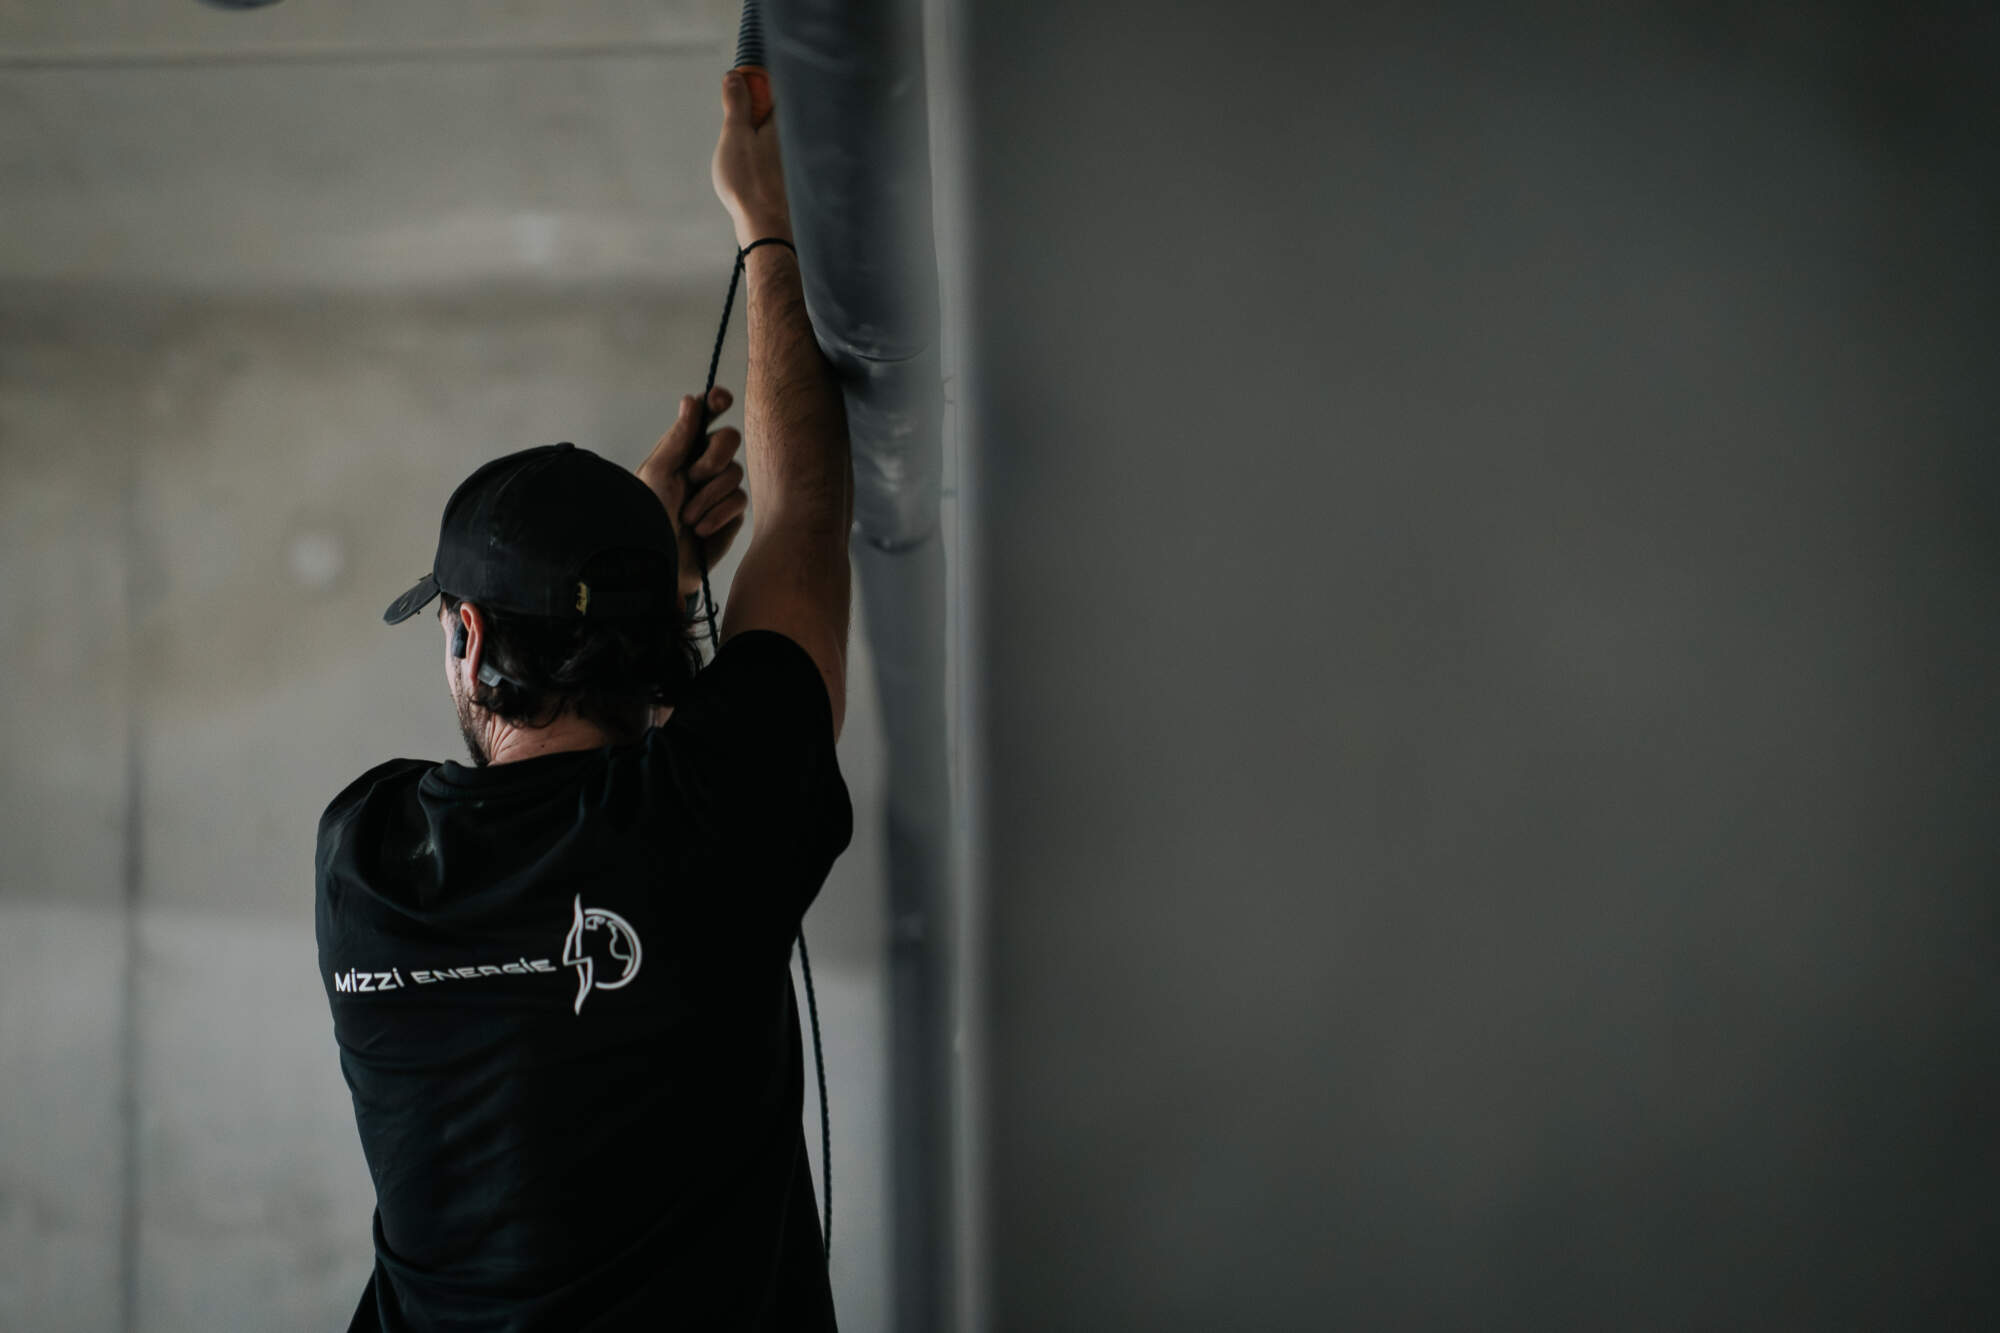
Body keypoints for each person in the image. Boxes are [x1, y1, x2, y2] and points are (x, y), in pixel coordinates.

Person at [316, 71, 854, 1331]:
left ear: (463, 634)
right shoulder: (710, 822)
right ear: (656, 643)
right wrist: (763, 218)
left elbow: (618, 800)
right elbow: (810, 513)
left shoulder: (368, 860)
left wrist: (646, 581)